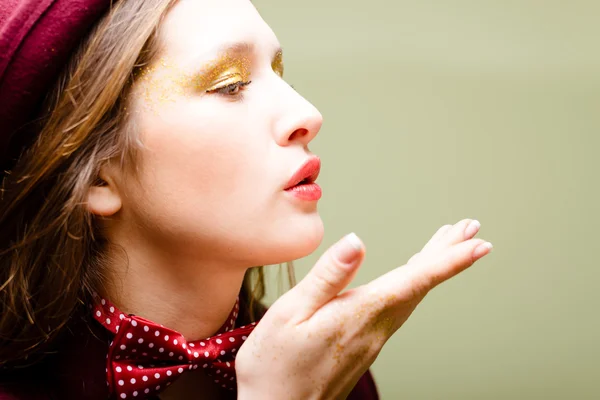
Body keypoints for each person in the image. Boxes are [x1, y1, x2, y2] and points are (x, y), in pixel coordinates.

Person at [0, 0, 493, 398]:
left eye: (282, 75)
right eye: (229, 85)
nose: (308, 113)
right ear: (97, 179)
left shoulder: (329, 371)